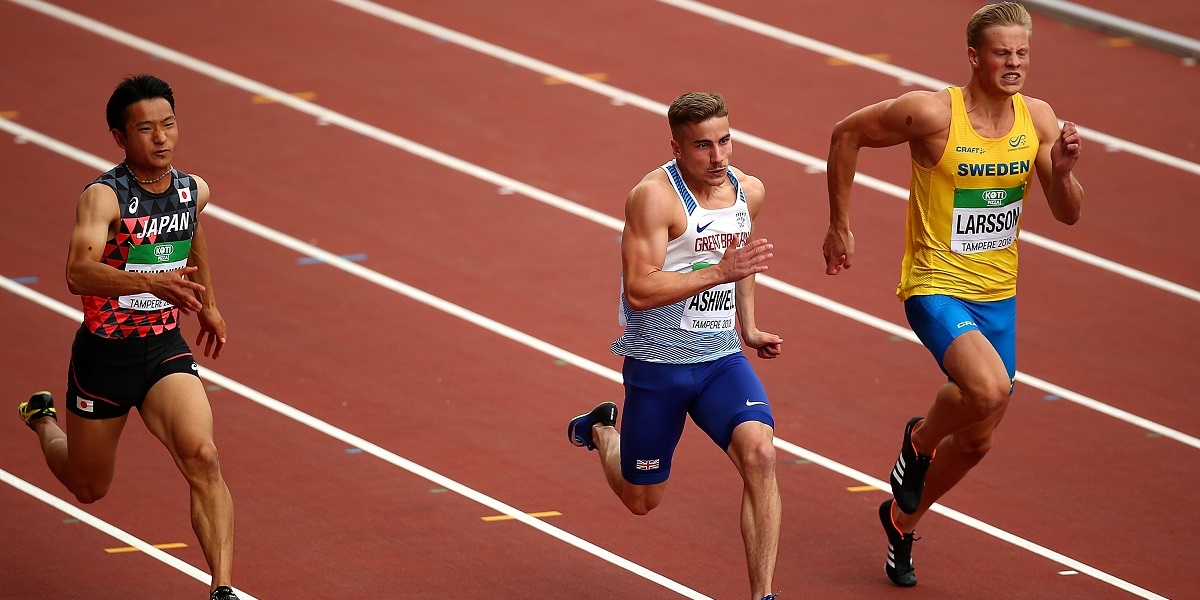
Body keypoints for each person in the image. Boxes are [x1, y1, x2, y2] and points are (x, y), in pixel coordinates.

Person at [823, 2, 1084, 588]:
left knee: (978, 441)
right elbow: (847, 135)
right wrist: (840, 223)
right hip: (934, 285)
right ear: (974, 56)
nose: (1013, 63)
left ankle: (900, 521)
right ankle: (917, 442)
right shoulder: (931, 113)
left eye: (1021, 53)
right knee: (987, 388)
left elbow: (1068, 216)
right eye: (1001, 52)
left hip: (999, 295)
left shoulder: (1037, 120)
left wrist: (1062, 172)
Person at [17, 74, 240, 600]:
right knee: (88, 487)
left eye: (169, 124)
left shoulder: (193, 189)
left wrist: (206, 302)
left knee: (204, 455)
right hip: (104, 360)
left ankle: (223, 590)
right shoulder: (103, 198)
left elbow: (191, 229)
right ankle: (43, 420)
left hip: (163, 348)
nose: (161, 137)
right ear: (120, 137)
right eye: (145, 128)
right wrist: (153, 281)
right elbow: (78, 274)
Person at [568, 92, 784, 600]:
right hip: (658, 367)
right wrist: (719, 272)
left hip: (720, 362)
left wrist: (748, 328)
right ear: (677, 147)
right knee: (642, 501)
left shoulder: (748, 192)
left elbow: (741, 266)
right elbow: (639, 289)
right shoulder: (653, 197)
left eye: (725, 141)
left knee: (762, 456)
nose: (718, 156)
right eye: (703, 146)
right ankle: (601, 430)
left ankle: (764, 596)